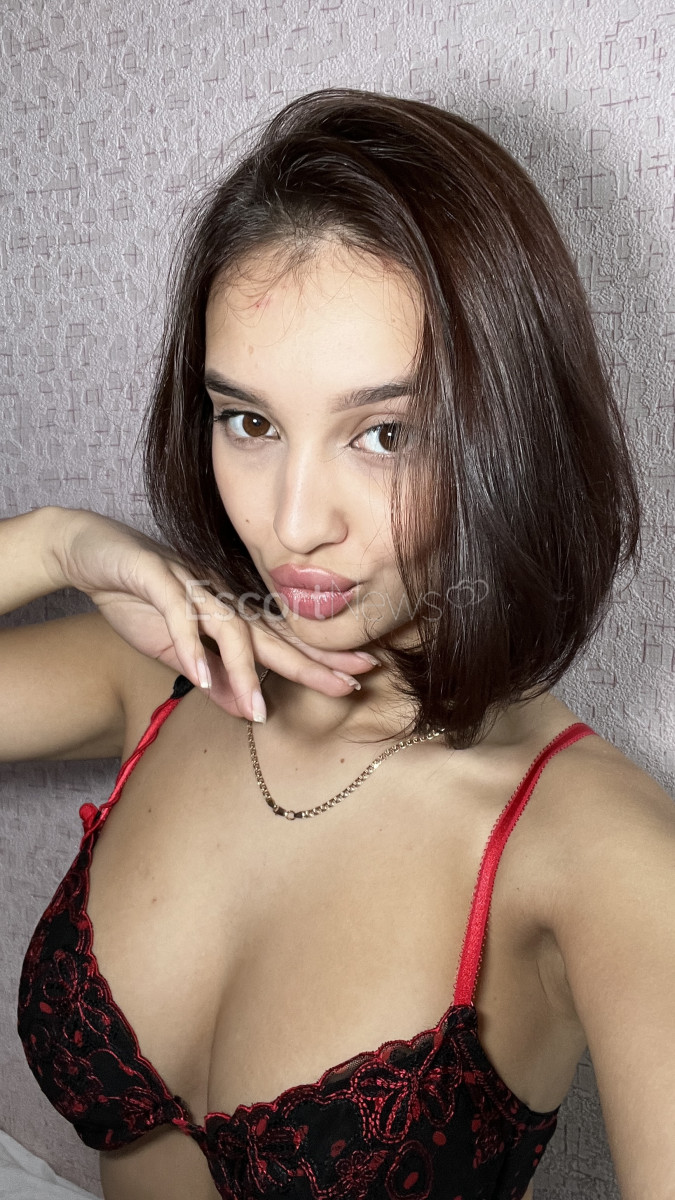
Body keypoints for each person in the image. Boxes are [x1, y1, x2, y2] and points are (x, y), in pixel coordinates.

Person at [3, 87, 673, 1200]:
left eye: (384, 433)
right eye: (250, 421)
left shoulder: (603, 855)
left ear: (506, 431)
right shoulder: (171, 670)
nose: (294, 520)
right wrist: (54, 544)